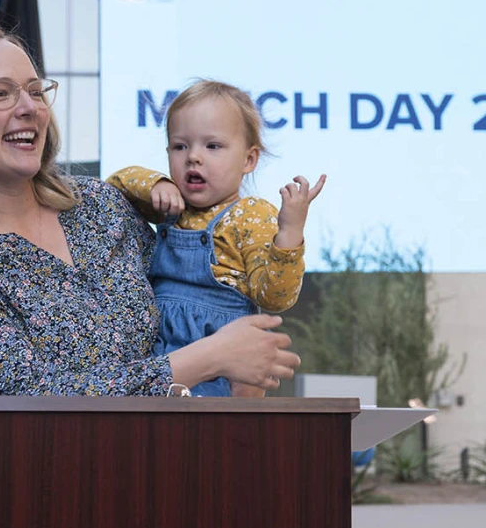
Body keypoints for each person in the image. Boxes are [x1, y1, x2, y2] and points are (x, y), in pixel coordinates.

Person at [0, 27, 301, 396]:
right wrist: (207, 358)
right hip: (54, 485)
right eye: (0, 93)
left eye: (36, 91)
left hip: (179, 460)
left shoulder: (98, 206)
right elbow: (31, 396)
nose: (30, 107)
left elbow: (195, 291)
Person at [107, 80, 326, 397]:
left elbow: (276, 298)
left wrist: (290, 233)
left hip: (222, 365)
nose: (193, 157)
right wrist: (155, 183)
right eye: (180, 146)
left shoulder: (251, 215)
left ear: (249, 160)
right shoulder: (172, 205)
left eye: (212, 146)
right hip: (158, 351)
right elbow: (113, 188)